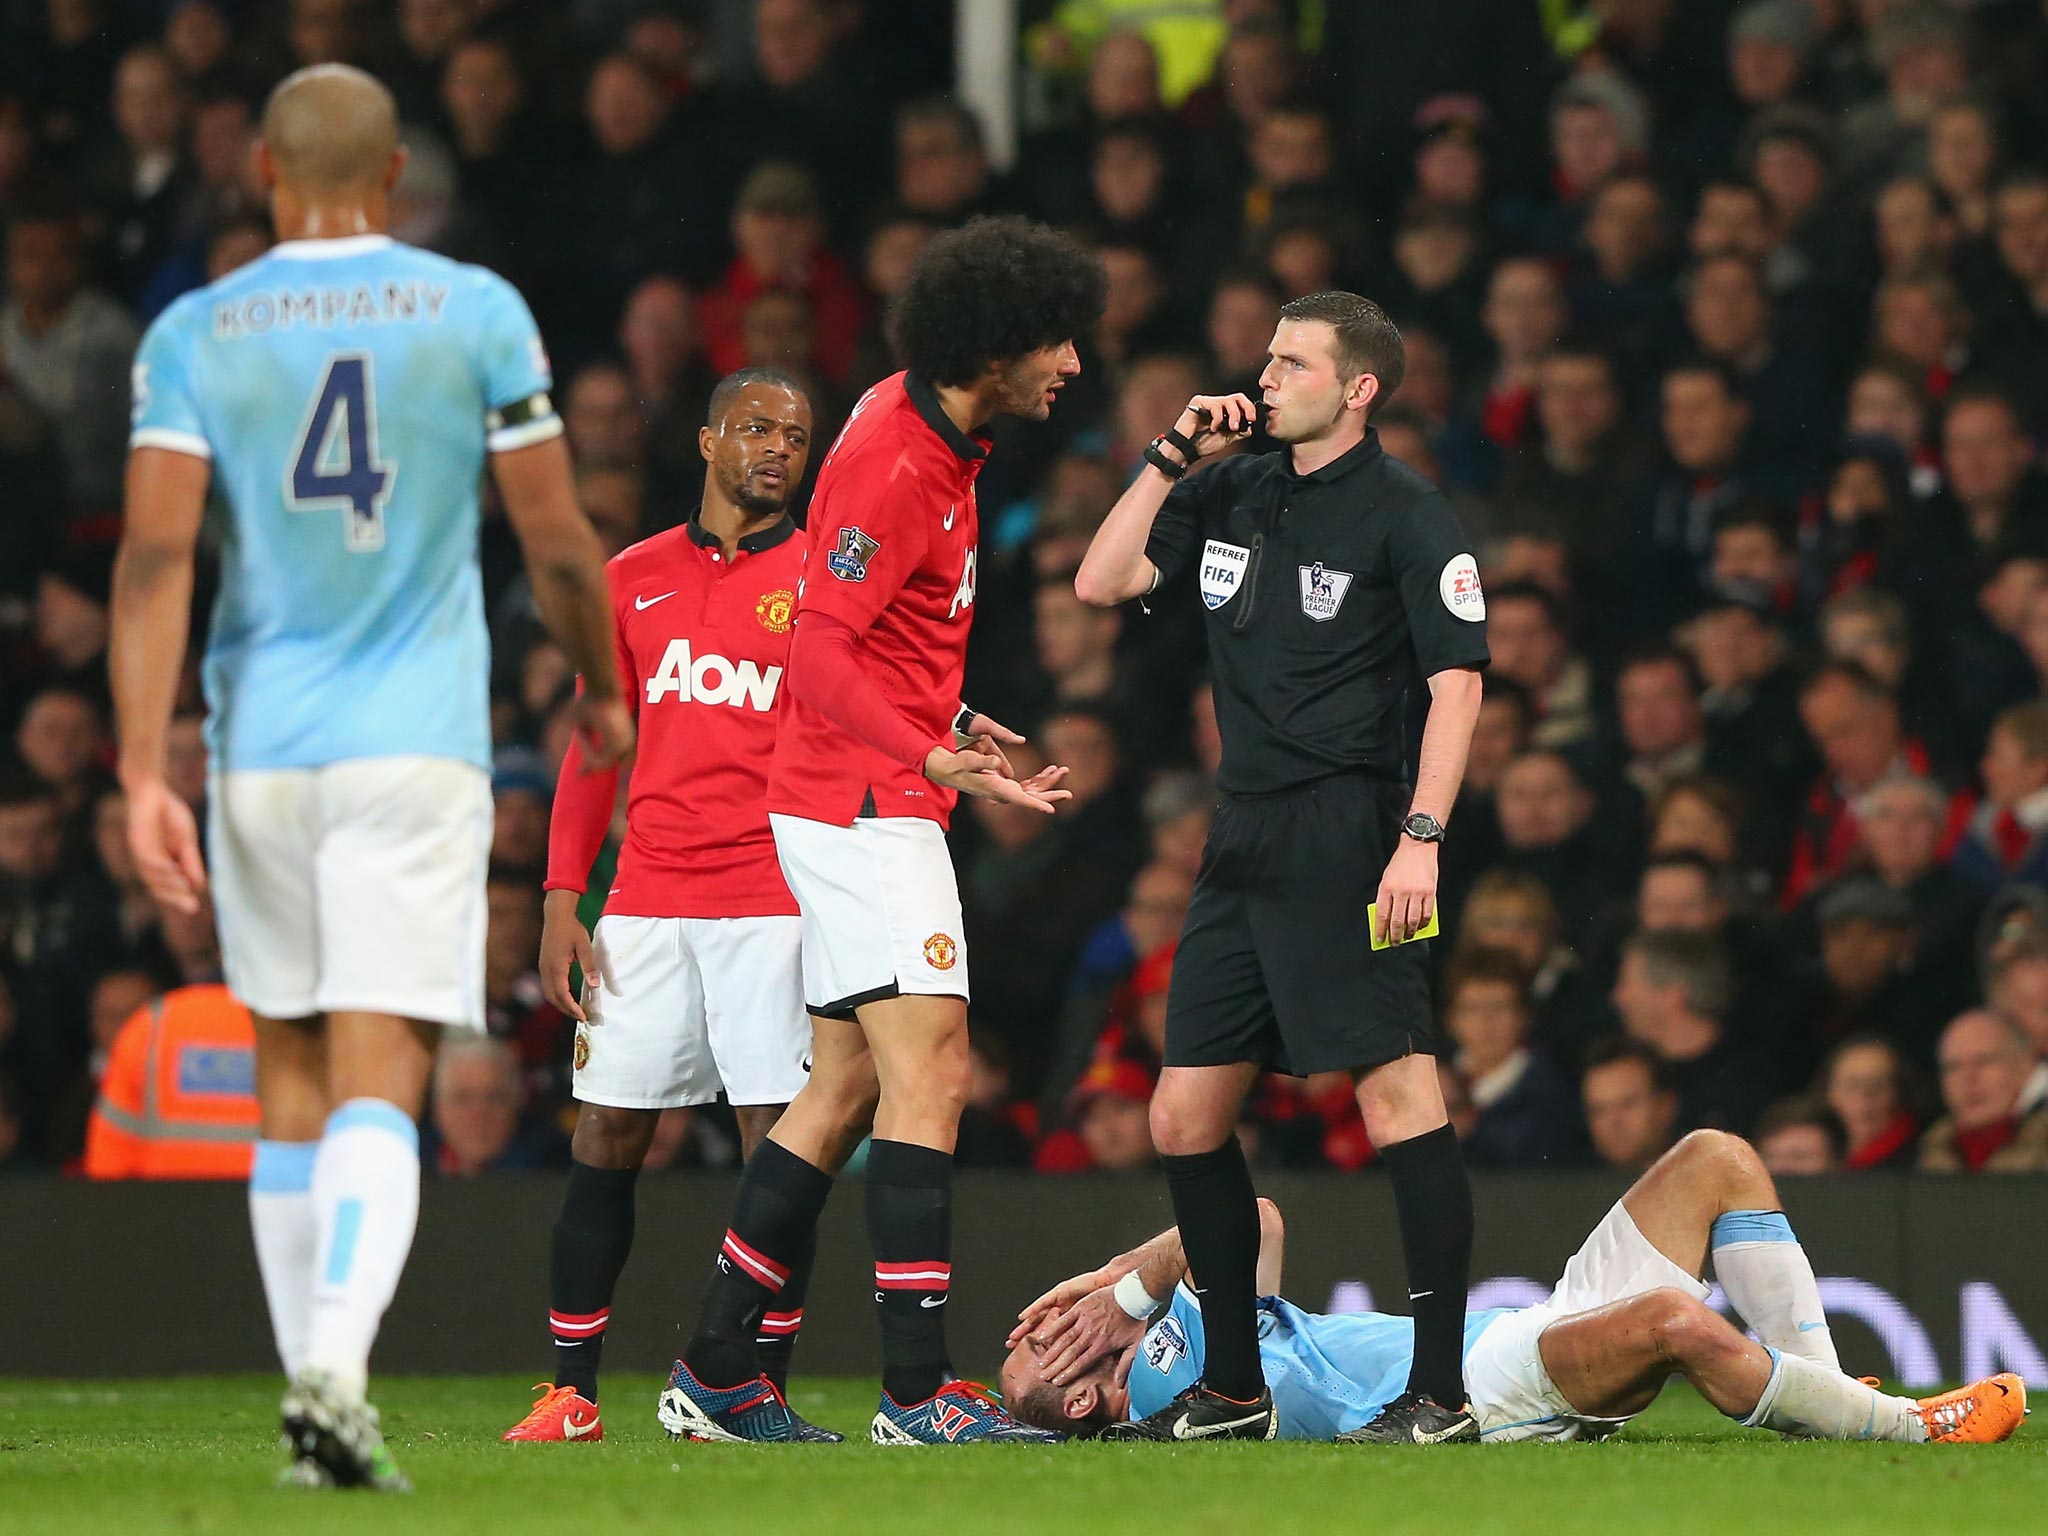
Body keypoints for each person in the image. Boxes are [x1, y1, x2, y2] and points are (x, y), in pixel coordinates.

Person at [110, 65, 631, 1491]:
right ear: (396, 173)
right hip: (414, 746)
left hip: (258, 746)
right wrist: (601, 686)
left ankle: (314, 1399)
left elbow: (154, 559)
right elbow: (559, 538)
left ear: (264, 176)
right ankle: (338, 1374)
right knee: (379, 1070)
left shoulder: (195, 331)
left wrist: (141, 762)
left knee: (287, 1064)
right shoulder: (472, 309)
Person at [656, 215, 1104, 1447]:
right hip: (861, 804)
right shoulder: (899, 463)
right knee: (934, 1073)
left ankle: (710, 1365)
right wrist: (923, 750)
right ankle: (916, 1394)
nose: (1072, 364)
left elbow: (882, 634)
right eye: (1056, 340)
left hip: (866, 788)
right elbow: (817, 650)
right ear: (997, 341)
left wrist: (951, 713)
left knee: (842, 1086)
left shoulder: (937, 439)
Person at [1074, 292, 1489, 1444]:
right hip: (1240, 832)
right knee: (1181, 1115)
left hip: (1351, 830)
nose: (1263, 379)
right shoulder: (1229, 488)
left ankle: (1440, 1394)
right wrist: (1166, 457)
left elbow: (1457, 682)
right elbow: (1098, 584)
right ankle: (1234, 1388)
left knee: (1397, 1092)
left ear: (1355, 389)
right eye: (1264, 358)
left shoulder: (1408, 517)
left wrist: (1421, 834)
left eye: (1292, 363)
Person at [501, 369, 850, 1445]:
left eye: (794, 433)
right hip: (645, 903)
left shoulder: (827, 582)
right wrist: (564, 897)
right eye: (755, 426)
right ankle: (569, 1393)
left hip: (773, 901)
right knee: (606, 1134)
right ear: (706, 441)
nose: (777, 447)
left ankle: (755, 1388)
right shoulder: (630, 579)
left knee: (774, 1148)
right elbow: (594, 748)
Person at [999, 1131, 2024, 1447]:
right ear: (1081, 1393)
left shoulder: (1185, 1335)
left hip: (1523, 1324)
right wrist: (1128, 1298)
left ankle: (1824, 1396)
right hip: (1484, 1394)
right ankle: (1903, 1429)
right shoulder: (1164, 1400)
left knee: (1715, 1159)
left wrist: (1112, 1283)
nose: (1044, 1322)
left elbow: (1253, 1220)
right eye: (1035, 1343)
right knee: (1675, 1322)